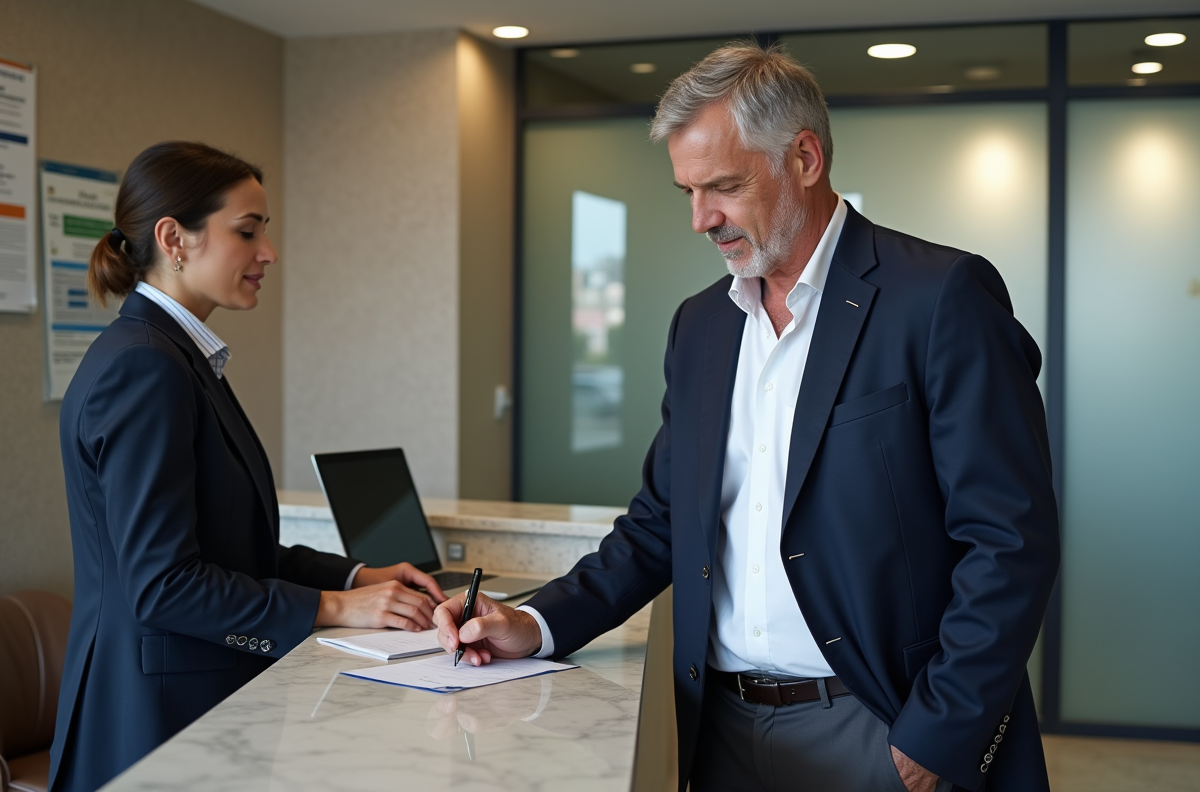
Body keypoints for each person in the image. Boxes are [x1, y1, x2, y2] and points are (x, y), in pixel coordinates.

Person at [434, 44, 1059, 792]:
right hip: (721, 729)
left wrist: (936, 736)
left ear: (803, 157)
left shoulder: (940, 298)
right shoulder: (701, 325)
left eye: (723, 186)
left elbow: (1009, 541)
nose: (701, 219)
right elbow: (660, 522)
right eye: (687, 192)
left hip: (882, 725)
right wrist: (535, 624)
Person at [49, 141, 448, 792]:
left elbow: (226, 543)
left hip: (190, 702)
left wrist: (355, 574)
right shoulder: (146, 366)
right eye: (247, 232)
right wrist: (334, 606)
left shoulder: (177, 356)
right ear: (174, 238)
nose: (269, 253)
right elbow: (164, 585)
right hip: (151, 722)